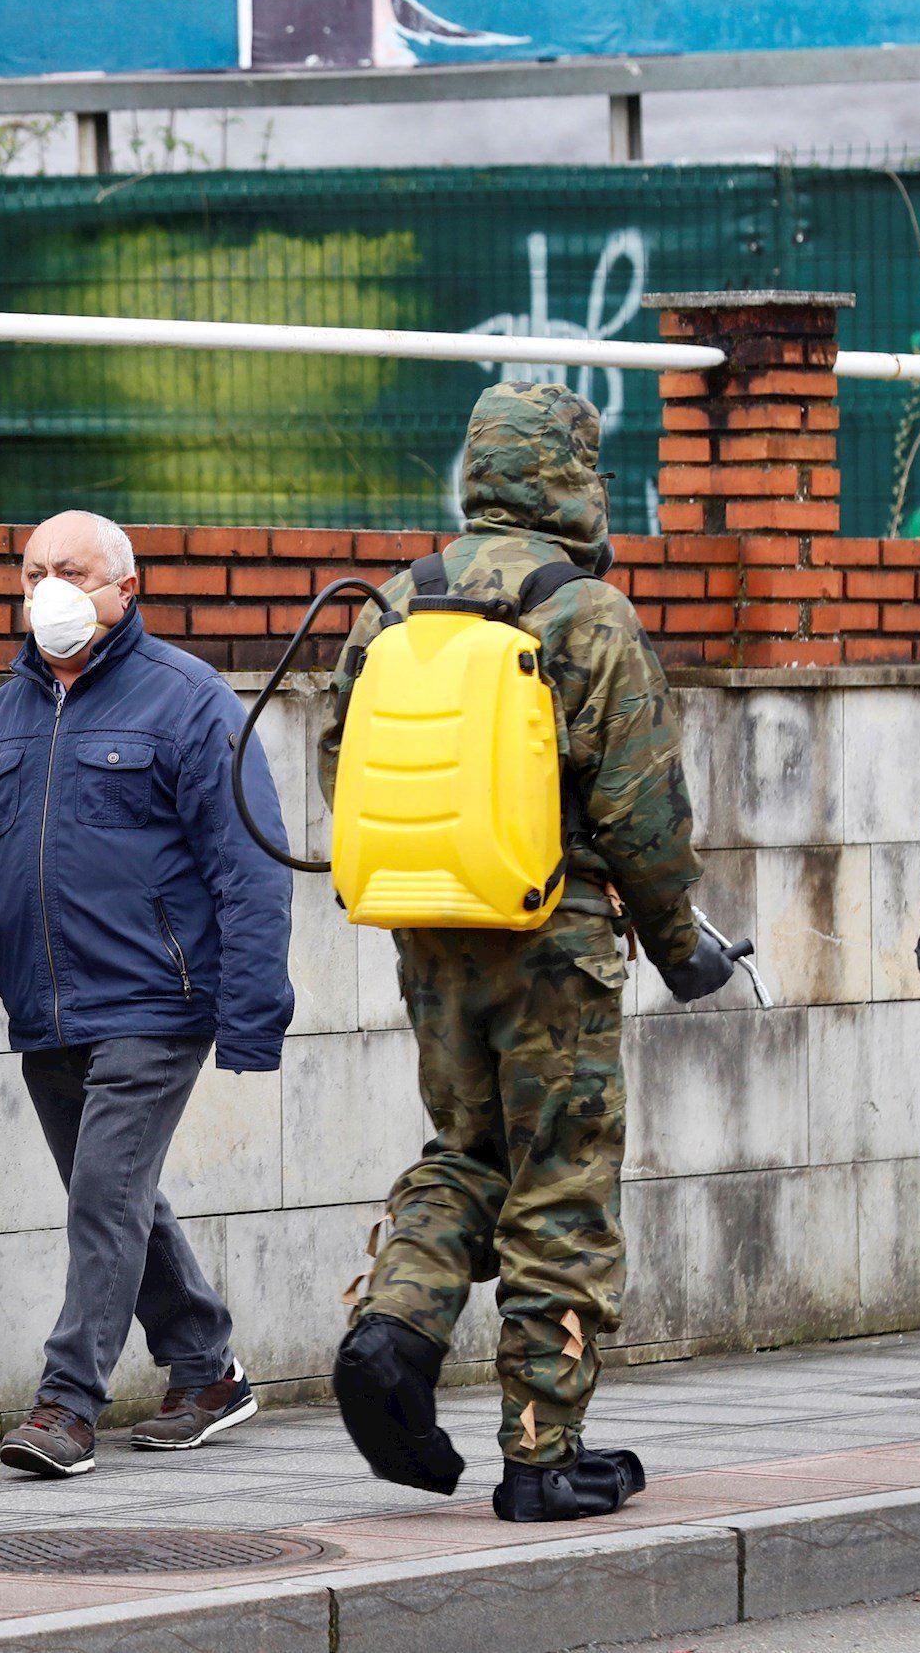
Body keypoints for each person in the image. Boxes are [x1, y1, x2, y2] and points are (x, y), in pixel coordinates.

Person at [319, 381, 740, 1525]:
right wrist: (678, 944)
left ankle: (391, 1328)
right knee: (559, 1179)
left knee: (465, 1149)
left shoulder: (398, 602)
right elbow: (643, 808)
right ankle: (541, 1454)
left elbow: (337, 763)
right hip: (554, 936)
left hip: (427, 927)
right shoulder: (584, 610)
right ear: (570, 474)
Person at [0, 510, 296, 1479]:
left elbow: (249, 866)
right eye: (31, 571)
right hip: (44, 1009)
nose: (47, 588)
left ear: (123, 590)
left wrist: (250, 1009)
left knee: (102, 1194)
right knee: (116, 1197)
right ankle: (205, 1368)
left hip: (157, 1001)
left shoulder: (189, 703)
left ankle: (65, 1403)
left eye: (69, 569)